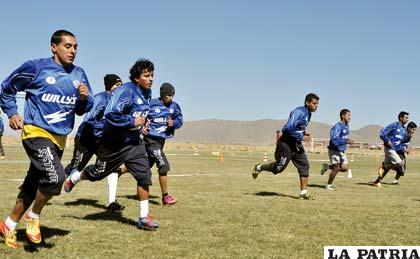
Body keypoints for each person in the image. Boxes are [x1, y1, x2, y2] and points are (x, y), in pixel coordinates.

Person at [0, 30, 94, 249]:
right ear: (54, 47)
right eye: (67, 46)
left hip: (60, 138)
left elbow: (84, 108)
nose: (73, 51)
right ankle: (34, 216)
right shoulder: (36, 68)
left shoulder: (79, 74)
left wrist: (83, 98)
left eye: (75, 47)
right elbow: (6, 88)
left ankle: (9, 224)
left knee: (33, 185)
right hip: (36, 132)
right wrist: (12, 112)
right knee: (55, 177)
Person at [64, 59, 159, 230]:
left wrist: (144, 124)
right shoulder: (126, 91)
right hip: (114, 144)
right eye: (147, 75)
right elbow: (111, 114)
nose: (151, 78)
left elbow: (141, 113)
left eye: (152, 75)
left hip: (134, 143)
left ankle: (144, 218)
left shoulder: (148, 92)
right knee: (97, 173)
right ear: (137, 77)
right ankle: (75, 177)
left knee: (144, 176)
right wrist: (132, 121)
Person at [64, 74, 124, 212]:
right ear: (109, 86)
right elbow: (90, 119)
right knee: (74, 168)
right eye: (117, 85)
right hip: (86, 138)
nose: (120, 88)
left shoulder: (120, 101)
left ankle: (112, 202)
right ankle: (49, 183)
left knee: (112, 168)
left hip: (103, 141)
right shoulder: (100, 98)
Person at [252, 93, 319, 200]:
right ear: (307, 103)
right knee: (279, 168)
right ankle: (259, 167)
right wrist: (301, 136)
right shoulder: (299, 112)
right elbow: (288, 128)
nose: (316, 106)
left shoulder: (308, 114)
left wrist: (303, 133)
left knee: (304, 165)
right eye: (314, 103)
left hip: (296, 144)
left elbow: (298, 128)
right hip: (286, 143)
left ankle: (303, 193)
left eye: (317, 104)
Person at [143, 83, 183, 205]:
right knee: (163, 165)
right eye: (168, 95)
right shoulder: (151, 104)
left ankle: (118, 172)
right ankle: (166, 197)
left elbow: (180, 120)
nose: (170, 98)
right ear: (163, 94)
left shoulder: (174, 106)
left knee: (144, 166)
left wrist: (174, 123)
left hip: (161, 142)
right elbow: (141, 116)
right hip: (151, 140)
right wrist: (142, 127)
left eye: (172, 95)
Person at [371, 119, 417, 187]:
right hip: (397, 151)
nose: (414, 131)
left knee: (394, 168)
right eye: (413, 129)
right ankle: (387, 176)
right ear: (409, 128)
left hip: (399, 151)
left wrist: (408, 142)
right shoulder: (403, 131)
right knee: (400, 168)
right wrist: (404, 149)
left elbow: (403, 142)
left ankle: (378, 181)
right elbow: (398, 142)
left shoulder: (408, 134)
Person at [320, 109, 354, 190]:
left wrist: (347, 141)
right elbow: (334, 140)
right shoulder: (337, 127)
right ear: (343, 116)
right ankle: (328, 185)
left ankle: (327, 167)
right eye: (348, 115)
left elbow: (343, 138)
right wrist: (346, 141)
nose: (350, 117)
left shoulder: (347, 125)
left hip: (341, 151)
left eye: (350, 115)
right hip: (334, 150)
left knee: (344, 168)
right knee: (336, 168)